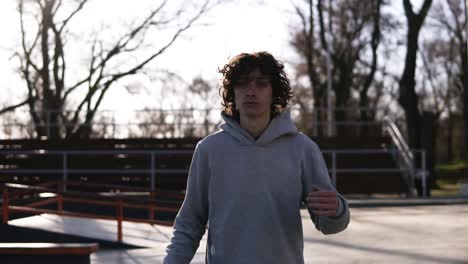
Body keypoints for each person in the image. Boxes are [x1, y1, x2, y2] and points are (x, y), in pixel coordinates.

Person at [164, 51, 350, 264]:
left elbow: (330, 223)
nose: (251, 91)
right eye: (243, 83)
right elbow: (189, 223)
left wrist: (336, 210)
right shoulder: (209, 150)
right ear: (233, 91)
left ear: (274, 93)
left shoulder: (302, 149)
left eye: (261, 84)